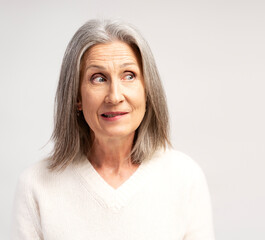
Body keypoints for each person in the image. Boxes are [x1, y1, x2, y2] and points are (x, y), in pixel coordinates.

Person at [12, 19, 215, 240]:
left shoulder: (185, 177)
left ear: (147, 90)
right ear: (77, 97)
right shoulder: (35, 185)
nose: (115, 96)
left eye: (129, 75)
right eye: (98, 79)